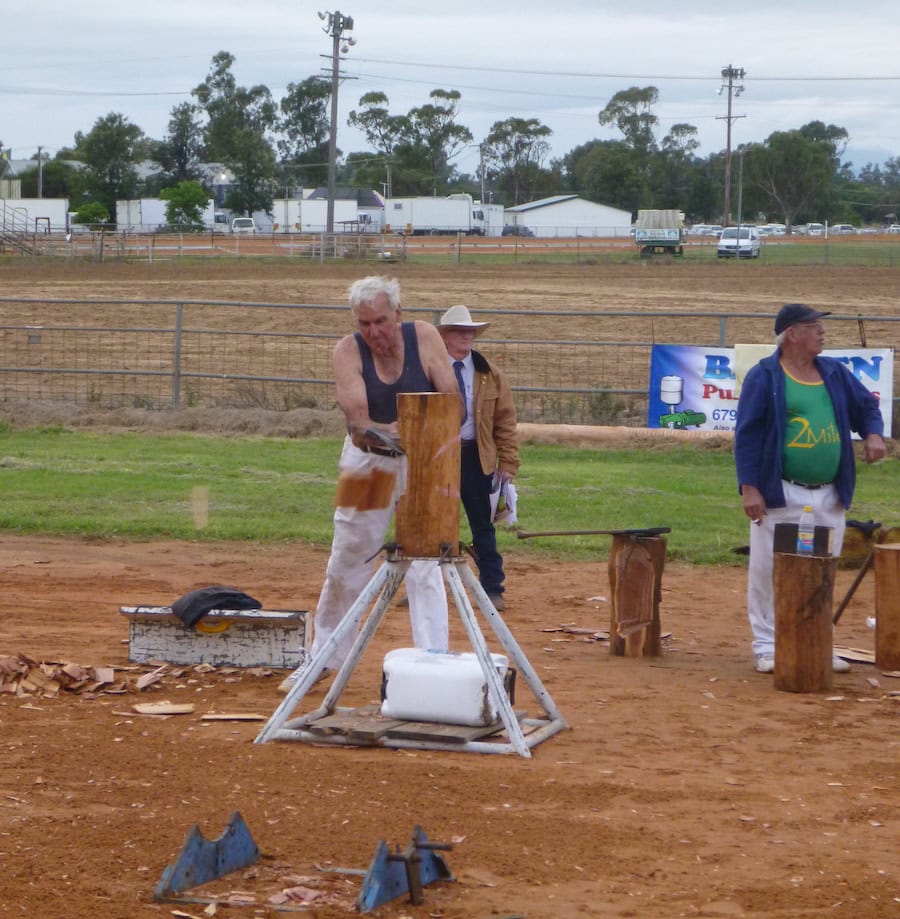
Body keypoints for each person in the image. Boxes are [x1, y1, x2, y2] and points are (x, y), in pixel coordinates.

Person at [280, 276, 460, 691]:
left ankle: (432, 664)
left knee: (427, 560)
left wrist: (423, 436)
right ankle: (323, 657)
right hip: (368, 464)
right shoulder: (347, 352)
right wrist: (396, 432)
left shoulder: (426, 337)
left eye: (380, 320)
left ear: (398, 313)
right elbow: (359, 425)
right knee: (348, 557)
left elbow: (452, 401)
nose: (373, 332)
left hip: (423, 462)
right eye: (364, 324)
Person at [734, 302, 886, 675]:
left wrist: (873, 432)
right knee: (771, 568)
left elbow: (867, 406)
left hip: (829, 493)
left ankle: (815, 640)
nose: (822, 332)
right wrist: (750, 488)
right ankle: (768, 645)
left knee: (822, 568)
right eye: (813, 326)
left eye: (821, 326)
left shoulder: (833, 372)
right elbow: (748, 435)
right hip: (781, 492)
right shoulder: (766, 376)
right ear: (791, 334)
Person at [437, 304, 520, 611]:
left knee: (482, 524)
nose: (466, 336)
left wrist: (508, 462)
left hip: (475, 456)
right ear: (444, 336)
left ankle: (492, 587)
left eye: (470, 331)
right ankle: (425, 587)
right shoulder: (431, 369)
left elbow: (505, 420)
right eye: (460, 331)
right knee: (433, 523)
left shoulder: (489, 373)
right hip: (438, 458)